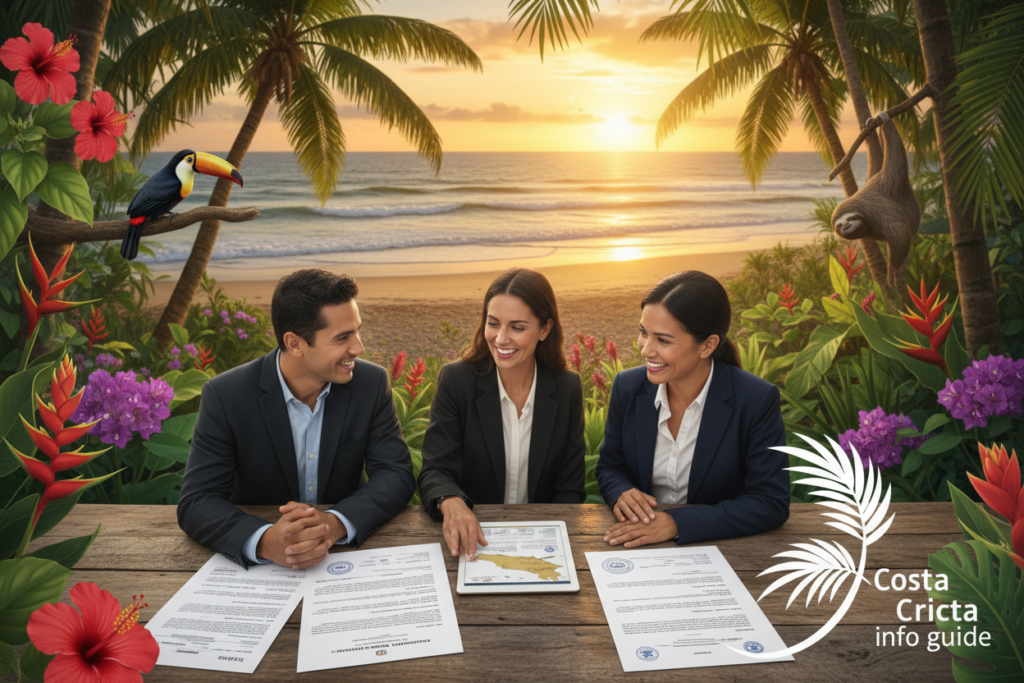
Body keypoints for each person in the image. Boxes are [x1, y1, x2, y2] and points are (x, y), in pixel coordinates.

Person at [178, 269, 414, 570]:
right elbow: (198, 500)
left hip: (344, 560)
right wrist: (266, 541)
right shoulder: (226, 395)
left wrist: (334, 524)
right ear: (294, 344)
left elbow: (395, 473)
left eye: (357, 331)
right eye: (342, 337)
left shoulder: (370, 384)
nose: (358, 348)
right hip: (263, 571)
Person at [596, 270, 789, 549]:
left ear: (707, 345)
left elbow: (770, 502)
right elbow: (610, 465)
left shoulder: (756, 399)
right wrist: (621, 492)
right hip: (639, 543)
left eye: (663, 340)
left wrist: (676, 523)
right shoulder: (627, 387)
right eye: (643, 333)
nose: (645, 350)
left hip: (721, 549)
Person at [418, 268, 586, 560]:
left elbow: (569, 488)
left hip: (542, 542)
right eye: (493, 323)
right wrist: (450, 499)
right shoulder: (456, 380)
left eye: (517, 327)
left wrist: (551, 547)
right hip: (474, 539)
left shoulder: (567, 387)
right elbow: (435, 469)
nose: (500, 338)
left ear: (544, 329)